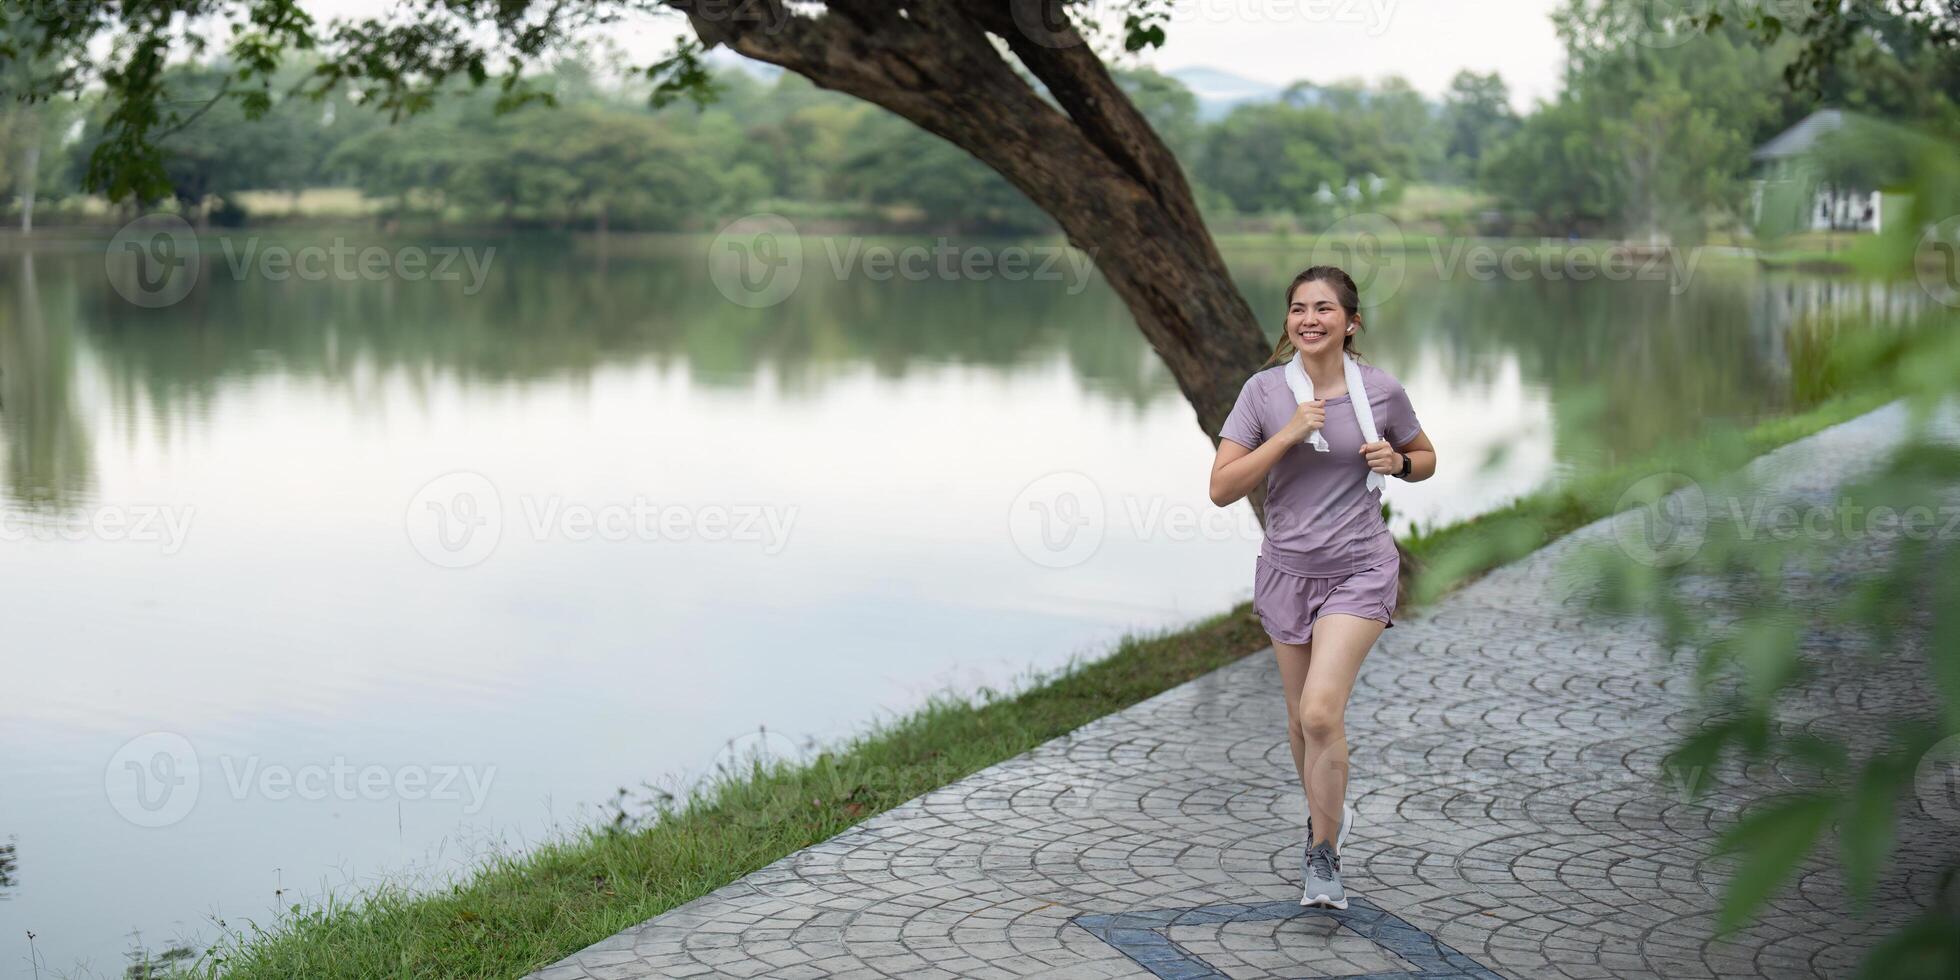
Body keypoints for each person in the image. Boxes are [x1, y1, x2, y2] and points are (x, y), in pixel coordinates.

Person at [1207, 265, 1436, 910]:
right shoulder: (1262, 394)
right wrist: (1287, 433)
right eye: (1298, 308)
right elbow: (1222, 488)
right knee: (1299, 722)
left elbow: (1426, 459)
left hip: (1360, 569)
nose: (1310, 318)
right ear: (1288, 321)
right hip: (1286, 572)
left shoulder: (1381, 391)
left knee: (1319, 712)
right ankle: (1321, 823)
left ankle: (1324, 855)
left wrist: (1398, 463)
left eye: (1325, 308)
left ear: (1350, 322)